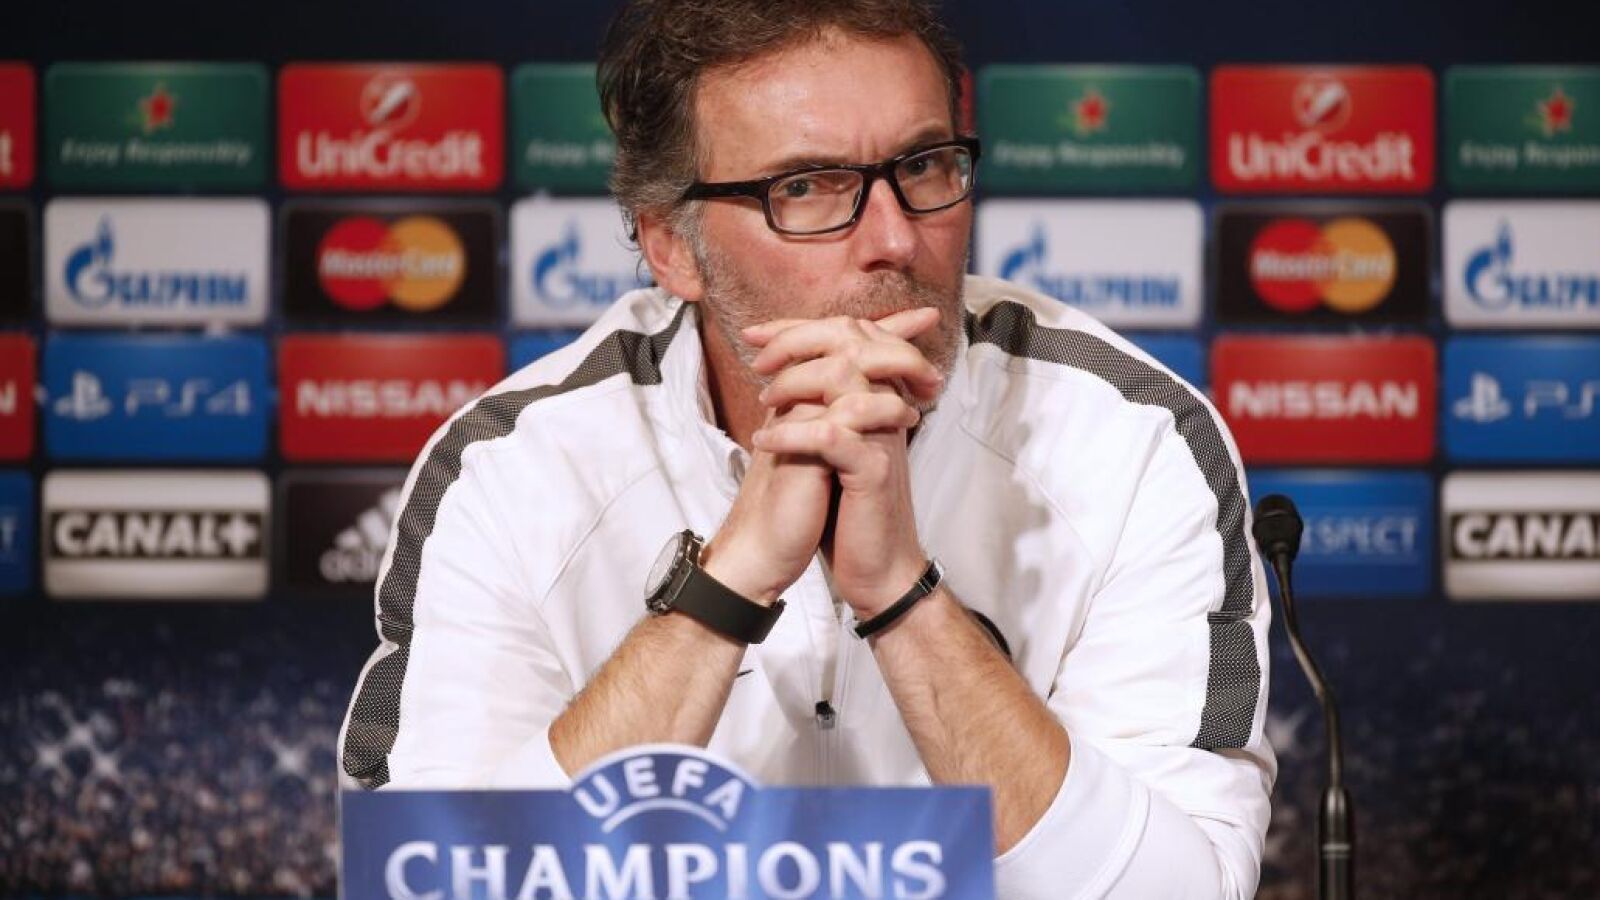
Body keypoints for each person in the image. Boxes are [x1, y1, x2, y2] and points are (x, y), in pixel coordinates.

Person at [338, 1, 1275, 896]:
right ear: (672, 247)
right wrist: (729, 582)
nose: (896, 238)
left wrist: (902, 594)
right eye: (806, 186)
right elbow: (430, 879)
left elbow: (1175, 891)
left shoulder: (1132, 441)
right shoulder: (513, 469)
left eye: (924, 165)